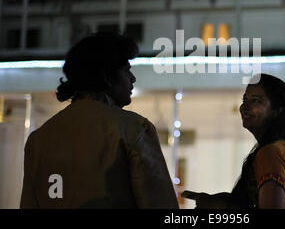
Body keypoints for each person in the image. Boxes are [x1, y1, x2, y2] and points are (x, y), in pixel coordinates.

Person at [20, 32, 179, 209]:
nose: (132, 78)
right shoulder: (134, 129)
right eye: (126, 70)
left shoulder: (38, 139)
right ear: (107, 76)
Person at [182, 74, 285, 209]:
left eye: (256, 100)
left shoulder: (270, 153)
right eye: (245, 99)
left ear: (276, 111)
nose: (244, 106)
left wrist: (221, 207)